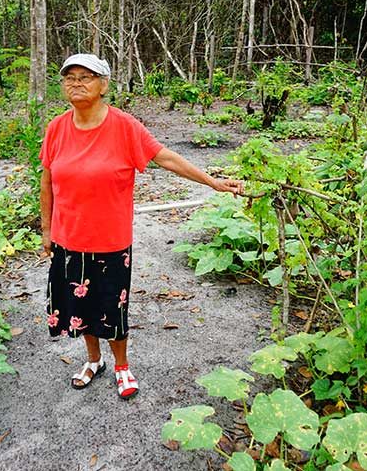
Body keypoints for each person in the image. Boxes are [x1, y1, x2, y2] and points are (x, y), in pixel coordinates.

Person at [40, 53, 243, 399]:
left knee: (113, 309)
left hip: (110, 241)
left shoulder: (124, 127)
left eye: (85, 77)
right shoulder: (57, 128)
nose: (76, 83)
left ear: (103, 85)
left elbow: (165, 157)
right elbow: (47, 180)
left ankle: (121, 366)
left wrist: (213, 182)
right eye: (69, 77)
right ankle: (93, 361)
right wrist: (46, 230)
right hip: (68, 238)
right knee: (80, 308)